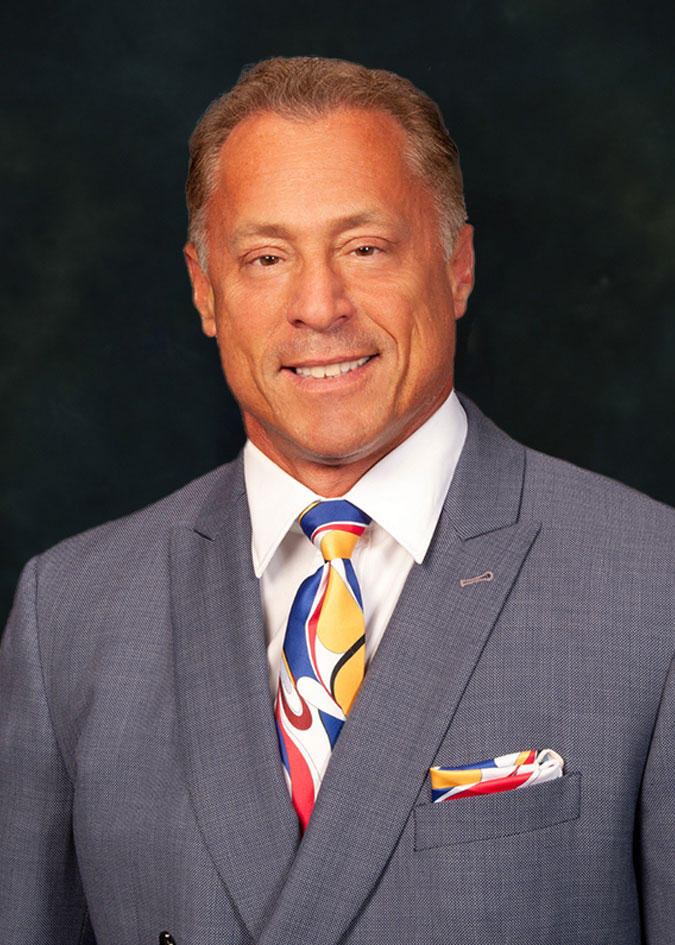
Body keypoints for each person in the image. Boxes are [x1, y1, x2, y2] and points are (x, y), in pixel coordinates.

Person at [1, 56, 673, 945]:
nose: (318, 307)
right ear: (205, 290)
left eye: (364, 248)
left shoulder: (652, 587)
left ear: (457, 264)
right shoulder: (68, 613)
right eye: (266, 257)